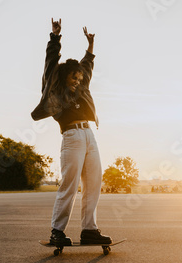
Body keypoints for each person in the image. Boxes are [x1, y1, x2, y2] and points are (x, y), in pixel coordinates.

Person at [31, 18, 111, 246]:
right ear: (63, 76)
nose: (77, 79)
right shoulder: (56, 89)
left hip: (89, 135)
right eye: (73, 76)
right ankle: (57, 231)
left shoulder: (82, 87)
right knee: (70, 184)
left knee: (94, 182)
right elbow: (50, 63)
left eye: (79, 77)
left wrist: (91, 47)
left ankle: (89, 230)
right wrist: (55, 37)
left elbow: (87, 66)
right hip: (72, 136)